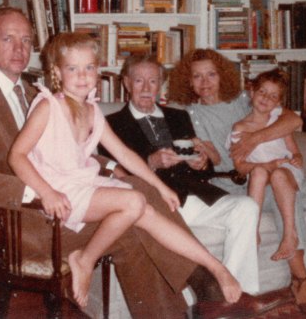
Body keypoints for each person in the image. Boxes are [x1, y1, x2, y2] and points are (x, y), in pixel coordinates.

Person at [0, 7, 223, 319]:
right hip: (11, 225)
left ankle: (197, 285)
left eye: (26, 40)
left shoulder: (34, 92)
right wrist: (38, 192)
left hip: (61, 208)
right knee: (132, 220)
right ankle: (201, 282)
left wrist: (113, 169)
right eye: (8, 39)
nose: (20, 48)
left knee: (135, 192)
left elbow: (67, 150)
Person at [7, 32, 242, 308]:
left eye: (89, 68)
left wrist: (162, 187)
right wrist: (46, 193)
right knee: (134, 201)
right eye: (73, 68)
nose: (82, 76)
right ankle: (85, 259)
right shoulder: (49, 106)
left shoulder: (92, 110)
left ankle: (217, 268)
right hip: (60, 191)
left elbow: (125, 155)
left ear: (98, 71)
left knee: (150, 211)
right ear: (57, 72)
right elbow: (17, 155)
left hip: (84, 184)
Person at [168, 48, 306, 315]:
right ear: (188, 81)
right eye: (197, 76)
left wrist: (255, 138)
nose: (205, 82)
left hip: (270, 171)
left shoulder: (242, 101)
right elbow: (201, 155)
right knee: (284, 194)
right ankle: (301, 280)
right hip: (237, 184)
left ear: (222, 76)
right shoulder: (187, 114)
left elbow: (292, 119)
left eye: (211, 74)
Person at [102, 54, 261, 296]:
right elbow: (113, 170)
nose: (146, 88)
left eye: (153, 81)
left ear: (160, 84)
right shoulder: (110, 123)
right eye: (139, 81)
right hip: (156, 203)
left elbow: (202, 164)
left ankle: (239, 294)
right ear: (126, 83)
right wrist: (151, 162)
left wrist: (202, 162)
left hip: (192, 196)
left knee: (247, 207)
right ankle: (222, 294)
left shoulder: (179, 116)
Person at [230, 69, 304, 262]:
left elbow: (295, 151)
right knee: (259, 171)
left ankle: (290, 235)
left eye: (273, 96)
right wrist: (267, 164)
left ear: (278, 103)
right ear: (252, 92)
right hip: (264, 172)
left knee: (278, 174)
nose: (265, 98)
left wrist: (297, 158)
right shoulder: (240, 128)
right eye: (262, 92)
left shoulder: (278, 122)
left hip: (286, 172)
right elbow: (240, 166)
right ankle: (253, 231)